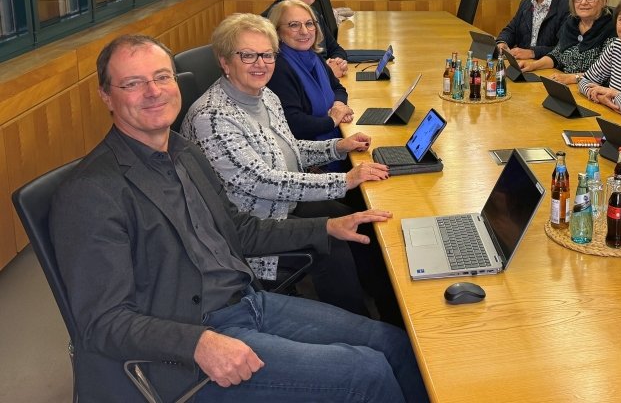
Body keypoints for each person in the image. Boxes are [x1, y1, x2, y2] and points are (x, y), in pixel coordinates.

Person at [49, 34, 428, 402]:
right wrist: (197, 343)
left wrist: (326, 226)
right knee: (367, 373)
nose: (153, 91)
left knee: (392, 343)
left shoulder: (183, 151)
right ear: (106, 96)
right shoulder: (90, 192)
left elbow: (239, 230)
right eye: (133, 83)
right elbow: (100, 322)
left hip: (246, 303)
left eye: (162, 77)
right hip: (191, 346)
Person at [181, 13, 393, 317]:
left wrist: (337, 146)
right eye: (248, 55)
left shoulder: (264, 95)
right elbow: (264, 181)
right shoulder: (213, 118)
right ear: (225, 61)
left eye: (267, 54)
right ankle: (359, 326)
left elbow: (285, 151)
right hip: (253, 229)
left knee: (362, 223)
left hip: (283, 206)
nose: (261, 63)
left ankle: (391, 313)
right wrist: (345, 180)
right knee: (336, 244)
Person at [266, 0, 353, 145]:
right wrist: (333, 120)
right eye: (294, 25)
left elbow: (338, 88)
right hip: (309, 152)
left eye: (309, 23)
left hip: (332, 140)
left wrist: (338, 106)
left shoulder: (314, 56)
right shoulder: (278, 68)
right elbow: (294, 123)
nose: (304, 31)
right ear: (277, 31)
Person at [261, 0, 349, 78]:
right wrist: (326, 72)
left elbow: (335, 49)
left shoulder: (313, 12)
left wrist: (337, 62)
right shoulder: (268, 23)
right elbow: (280, 74)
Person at [519, 0, 616, 85]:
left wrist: (571, 78)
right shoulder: (572, 22)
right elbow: (557, 55)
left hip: (591, 90)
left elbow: (605, 73)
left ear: (603, 1)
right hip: (564, 84)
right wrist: (533, 65)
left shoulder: (611, 29)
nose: (583, 2)